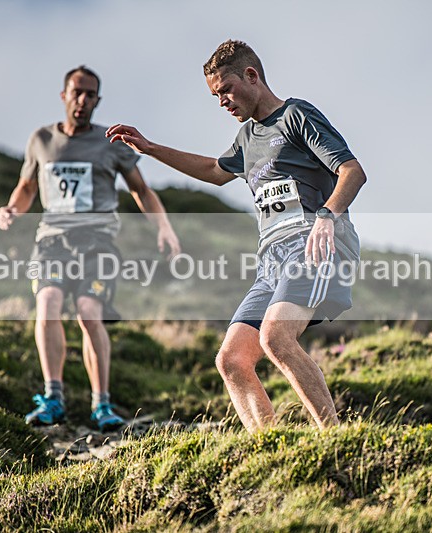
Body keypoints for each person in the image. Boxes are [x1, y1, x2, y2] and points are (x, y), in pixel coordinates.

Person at [106, 40, 366, 432]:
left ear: (251, 76)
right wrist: (151, 148)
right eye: (215, 96)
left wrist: (328, 215)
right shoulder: (247, 138)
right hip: (272, 262)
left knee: (276, 338)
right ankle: (269, 448)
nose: (223, 101)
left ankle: (336, 438)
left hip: (315, 245)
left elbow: (352, 171)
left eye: (226, 89)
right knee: (231, 359)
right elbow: (215, 170)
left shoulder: (297, 116)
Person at [0, 65, 180, 431]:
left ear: (97, 100)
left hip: (98, 243)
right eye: (76, 92)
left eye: (90, 94)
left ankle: (102, 405)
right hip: (51, 241)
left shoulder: (109, 141)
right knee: (47, 305)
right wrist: (12, 209)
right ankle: (53, 399)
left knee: (87, 312)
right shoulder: (41, 140)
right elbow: (27, 186)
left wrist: (164, 227)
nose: (82, 100)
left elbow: (141, 190)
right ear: (63, 95)